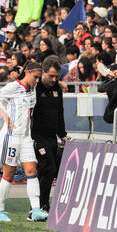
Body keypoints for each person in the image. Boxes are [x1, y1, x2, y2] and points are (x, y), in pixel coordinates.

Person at [0, 61, 49, 222]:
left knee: (31, 170)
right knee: (9, 173)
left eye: (38, 78)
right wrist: (4, 116)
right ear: (27, 73)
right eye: (35, 77)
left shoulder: (33, 89)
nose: (37, 80)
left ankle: (35, 210)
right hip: (11, 136)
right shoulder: (13, 87)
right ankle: (0, 211)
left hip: (26, 137)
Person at [30, 58, 67, 217]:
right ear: (43, 72)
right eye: (51, 76)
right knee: (48, 168)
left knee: (51, 170)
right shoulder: (34, 88)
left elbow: (60, 113)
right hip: (38, 136)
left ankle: (40, 205)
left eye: (56, 76)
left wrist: (63, 134)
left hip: (52, 137)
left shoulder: (57, 89)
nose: (54, 79)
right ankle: (41, 205)